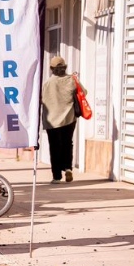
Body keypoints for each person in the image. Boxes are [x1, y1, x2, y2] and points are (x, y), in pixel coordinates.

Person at [42, 55, 83, 183]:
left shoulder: (47, 83)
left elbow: (40, 99)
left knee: (54, 147)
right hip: (69, 119)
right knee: (67, 143)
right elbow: (84, 92)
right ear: (64, 67)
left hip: (51, 121)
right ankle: (68, 168)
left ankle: (57, 176)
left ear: (51, 68)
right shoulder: (71, 80)